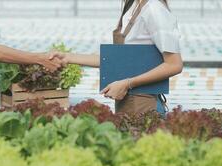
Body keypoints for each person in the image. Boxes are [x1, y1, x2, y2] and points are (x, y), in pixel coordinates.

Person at [51, 0, 183, 116]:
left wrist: (127, 83)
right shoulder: (132, 6)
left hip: (144, 103)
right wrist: (68, 57)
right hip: (128, 101)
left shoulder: (154, 9)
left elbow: (174, 65)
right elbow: (117, 59)